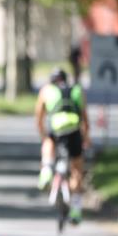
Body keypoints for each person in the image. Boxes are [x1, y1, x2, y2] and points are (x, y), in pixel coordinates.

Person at [36, 67, 90, 223]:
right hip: (74, 130)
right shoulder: (77, 90)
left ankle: (46, 170)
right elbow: (85, 120)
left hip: (57, 129)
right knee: (77, 171)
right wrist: (86, 137)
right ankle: (76, 210)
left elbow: (39, 117)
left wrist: (43, 135)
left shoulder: (46, 90)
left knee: (48, 141)